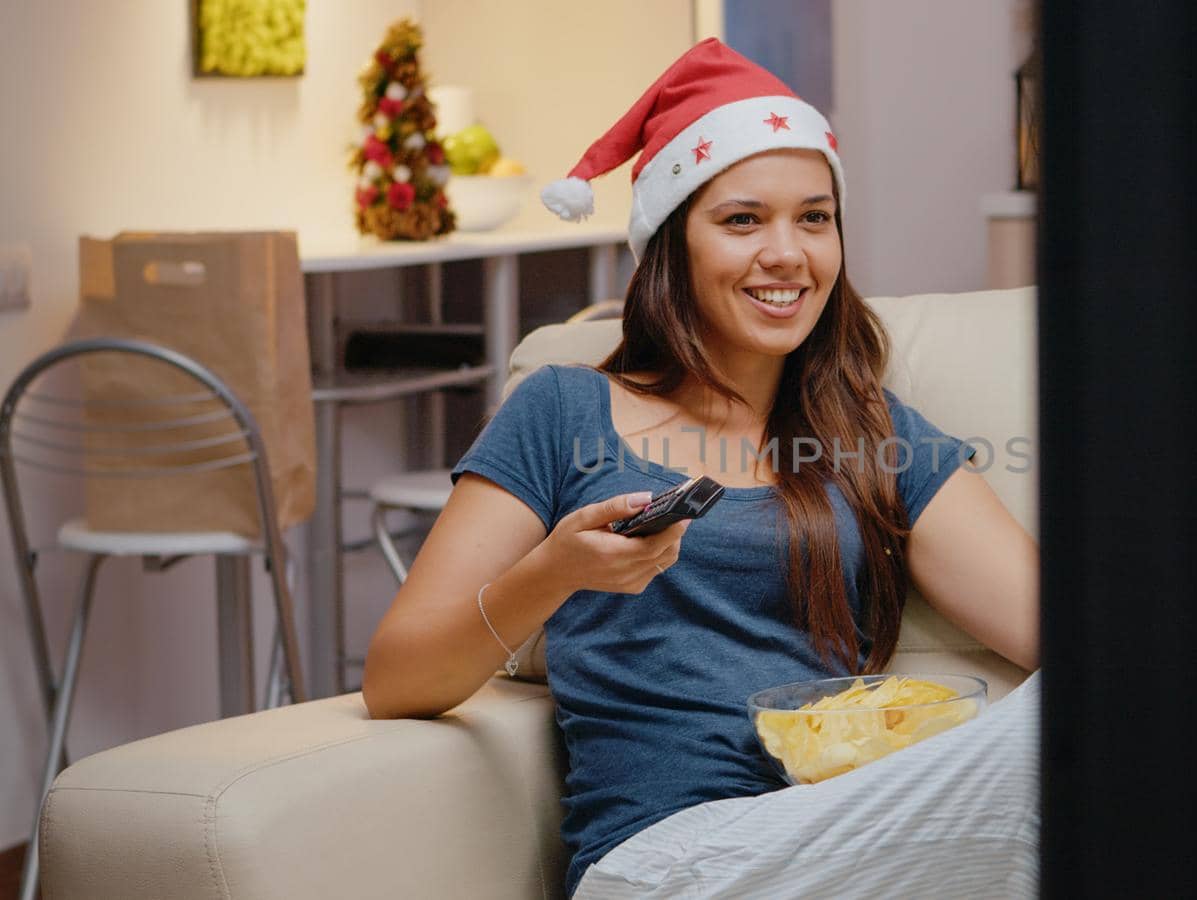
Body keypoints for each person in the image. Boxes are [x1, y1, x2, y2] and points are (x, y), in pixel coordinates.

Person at [362, 38, 1041, 898]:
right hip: (667, 861)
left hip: (845, 836)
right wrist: (554, 573)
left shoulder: (873, 434)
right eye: (743, 220)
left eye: (815, 218)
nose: (789, 253)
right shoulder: (566, 411)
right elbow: (396, 679)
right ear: (671, 244)